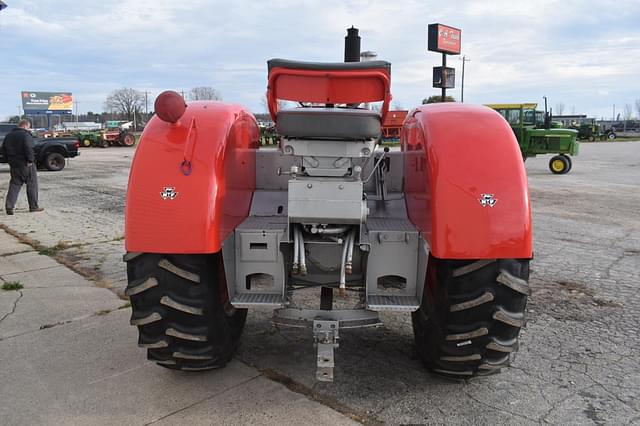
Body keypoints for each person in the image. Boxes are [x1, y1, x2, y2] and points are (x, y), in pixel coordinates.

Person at [2, 119, 44, 215]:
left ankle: (9, 206)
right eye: (28, 127)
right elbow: (28, 148)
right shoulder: (25, 135)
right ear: (25, 126)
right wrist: (30, 160)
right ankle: (33, 207)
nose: (29, 129)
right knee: (32, 184)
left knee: (14, 184)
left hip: (14, 165)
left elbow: (3, 149)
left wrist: (8, 161)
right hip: (25, 164)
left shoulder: (8, 136)